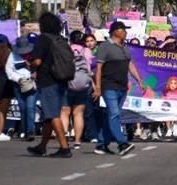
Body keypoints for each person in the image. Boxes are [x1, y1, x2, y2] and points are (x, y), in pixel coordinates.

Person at [93, 21, 144, 156]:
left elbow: (130, 65)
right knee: (114, 114)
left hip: (122, 86)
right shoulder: (105, 46)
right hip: (108, 85)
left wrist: (139, 81)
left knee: (111, 115)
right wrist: (98, 87)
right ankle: (122, 143)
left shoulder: (125, 47)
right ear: (116, 31)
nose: (125, 32)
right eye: (123, 30)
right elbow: (98, 68)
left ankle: (101, 144)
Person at [27, 12, 72, 158]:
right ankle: (42, 146)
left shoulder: (43, 39)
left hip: (47, 81)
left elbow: (38, 61)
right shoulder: (61, 40)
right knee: (49, 114)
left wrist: (30, 65)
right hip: (62, 80)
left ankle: (64, 147)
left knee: (52, 114)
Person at [61, 30, 92, 150]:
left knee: (64, 112)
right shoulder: (87, 51)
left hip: (67, 84)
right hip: (82, 86)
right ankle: (77, 141)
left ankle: (64, 140)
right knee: (78, 114)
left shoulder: (66, 50)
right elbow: (89, 69)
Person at [7, 35, 37, 141]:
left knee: (30, 107)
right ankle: (23, 130)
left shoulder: (35, 54)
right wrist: (18, 79)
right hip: (18, 84)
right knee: (22, 108)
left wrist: (35, 73)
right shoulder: (12, 55)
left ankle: (30, 131)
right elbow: (9, 70)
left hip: (32, 83)